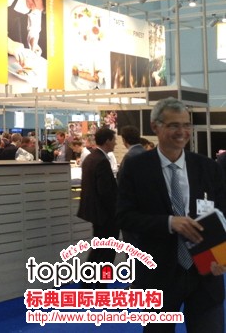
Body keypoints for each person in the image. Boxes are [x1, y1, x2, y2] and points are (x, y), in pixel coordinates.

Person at [117, 98, 226, 332]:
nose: (182, 132)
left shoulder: (208, 168)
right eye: (174, 125)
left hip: (206, 273)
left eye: (186, 125)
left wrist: (221, 255)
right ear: (155, 127)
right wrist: (168, 223)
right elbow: (123, 216)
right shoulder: (136, 168)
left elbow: (222, 213)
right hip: (158, 273)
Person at [77, 126, 118, 287]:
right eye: (114, 140)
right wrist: (116, 212)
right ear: (107, 141)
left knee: (98, 250)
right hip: (105, 215)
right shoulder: (101, 161)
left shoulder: (90, 158)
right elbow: (106, 192)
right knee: (106, 252)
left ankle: (87, 284)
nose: (115, 143)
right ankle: (101, 285)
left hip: (96, 213)